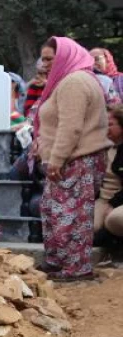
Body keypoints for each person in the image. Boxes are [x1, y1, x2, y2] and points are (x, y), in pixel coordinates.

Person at [37, 36, 110, 281]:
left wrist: (56, 159)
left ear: (65, 56)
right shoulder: (73, 79)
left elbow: (71, 127)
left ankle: (76, 269)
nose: (44, 64)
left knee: (71, 215)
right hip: (72, 159)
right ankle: (57, 262)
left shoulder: (73, 82)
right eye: (43, 59)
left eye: (50, 59)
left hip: (75, 159)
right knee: (54, 210)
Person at [95, 105, 123, 246]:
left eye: (110, 124)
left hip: (118, 201)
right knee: (86, 227)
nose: (106, 128)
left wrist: (113, 204)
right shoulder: (103, 147)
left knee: (115, 220)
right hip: (102, 199)